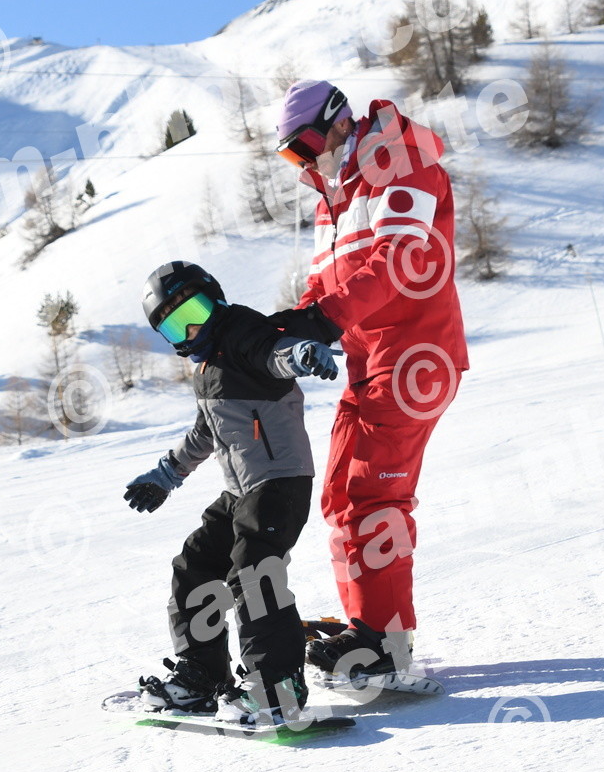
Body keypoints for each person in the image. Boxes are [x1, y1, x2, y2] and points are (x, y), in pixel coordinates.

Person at [268, 80, 469, 682]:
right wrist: (285, 331)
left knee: (373, 496)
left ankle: (384, 645)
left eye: (305, 147)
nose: (305, 163)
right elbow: (323, 285)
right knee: (341, 493)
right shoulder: (333, 196)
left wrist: (324, 319)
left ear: (338, 121)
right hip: (370, 363)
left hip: (415, 357)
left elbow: (398, 259)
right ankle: (370, 628)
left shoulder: (401, 163)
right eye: (291, 156)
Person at [123, 261, 340, 726]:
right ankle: (202, 676)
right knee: (195, 563)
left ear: (216, 299)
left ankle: (277, 687)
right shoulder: (206, 368)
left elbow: (274, 352)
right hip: (240, 490)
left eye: (195, 312)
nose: (192, 329)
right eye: (176, 325)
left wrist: (302, 353)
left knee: (253, 570)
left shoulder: (242, 332)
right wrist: (166, 474)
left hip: (280, 481)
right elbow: (205, 431)